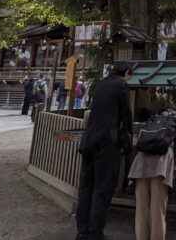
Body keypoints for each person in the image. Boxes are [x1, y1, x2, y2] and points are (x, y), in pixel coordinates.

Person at [75, 61, 133, 240]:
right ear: (127, 73)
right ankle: (95, 233)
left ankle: (82, 231)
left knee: (86, 187)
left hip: (89, 139)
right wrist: (129, 134)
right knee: (102, 188)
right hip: (106, 140)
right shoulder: (121, 86)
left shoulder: (101, 85)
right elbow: (126, 114)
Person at [128, 102, 176, 240]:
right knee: (157, 207)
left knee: (141, 206)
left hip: (141, 160)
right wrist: (175, 167)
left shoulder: (156, 117)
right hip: (162, 162)